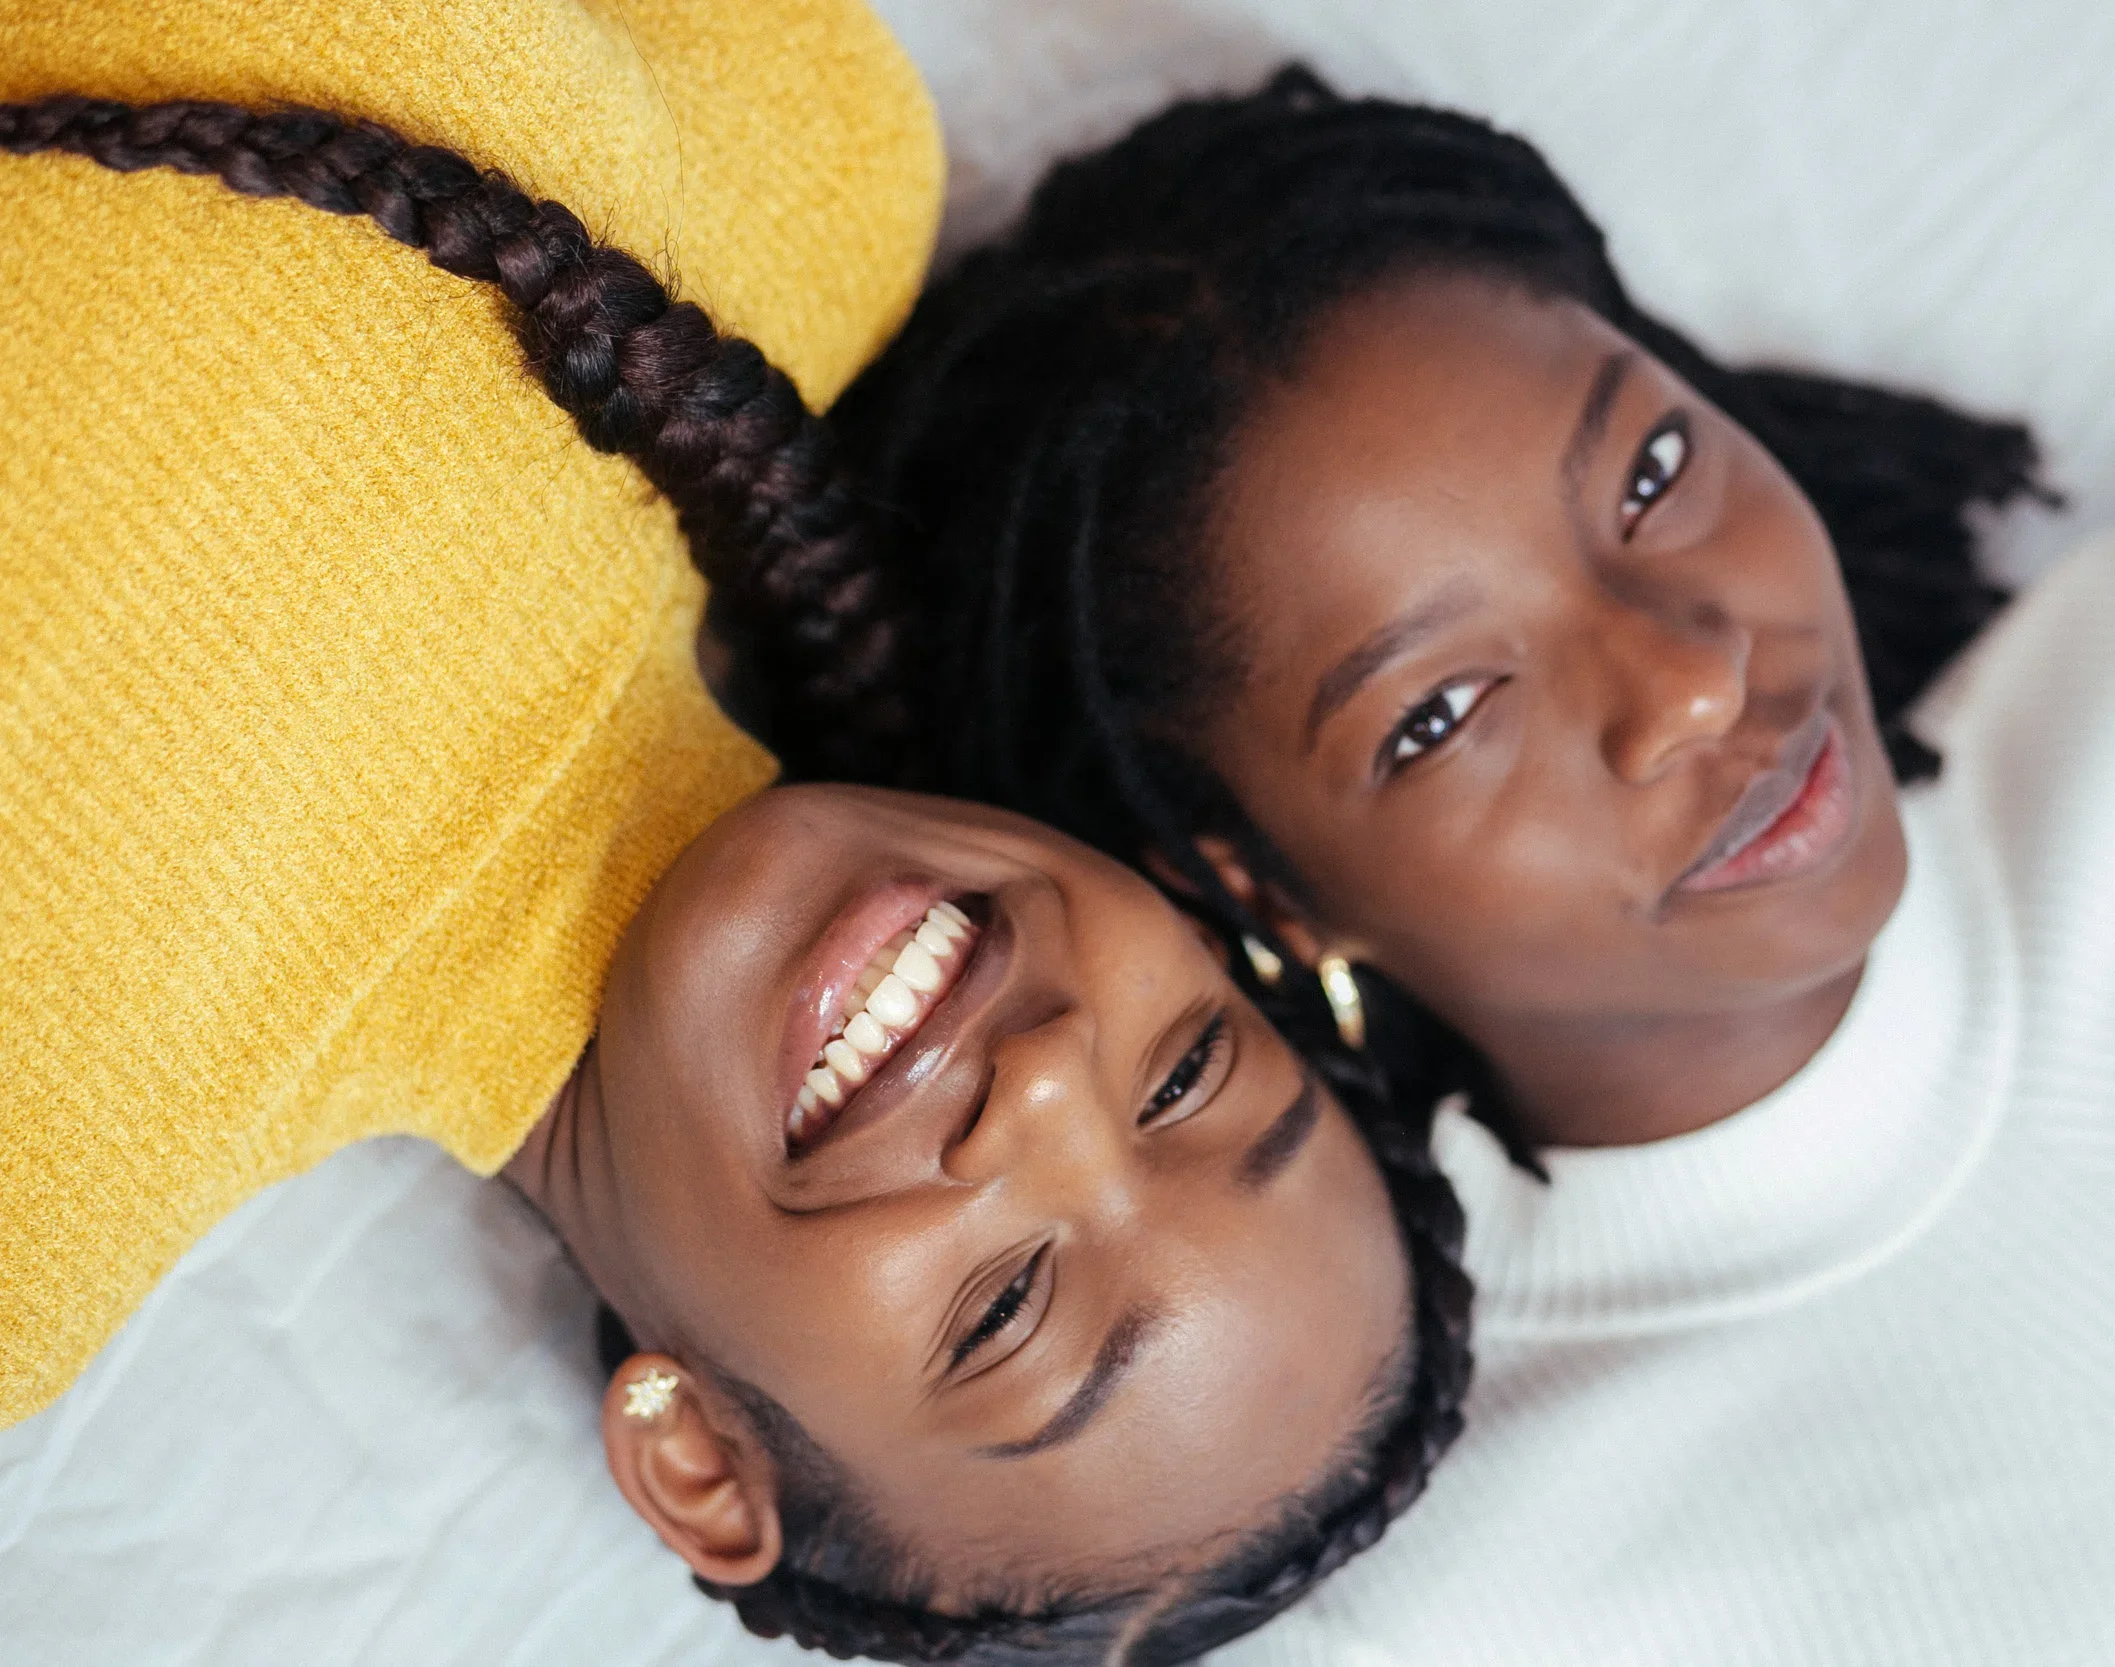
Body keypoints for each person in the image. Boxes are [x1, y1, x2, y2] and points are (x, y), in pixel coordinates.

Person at [748, 70, 2115, 1662]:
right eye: (1441, 715)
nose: (1689, 679)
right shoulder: (1451, 1583)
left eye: (1652, 470)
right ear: (1258, 887)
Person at [0, 31, 1472, 1667]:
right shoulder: (810, 181)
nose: (1052, 1081)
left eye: (1002, 1312)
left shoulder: (25, 1203)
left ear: (698, 1459)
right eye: (1189, 1071)